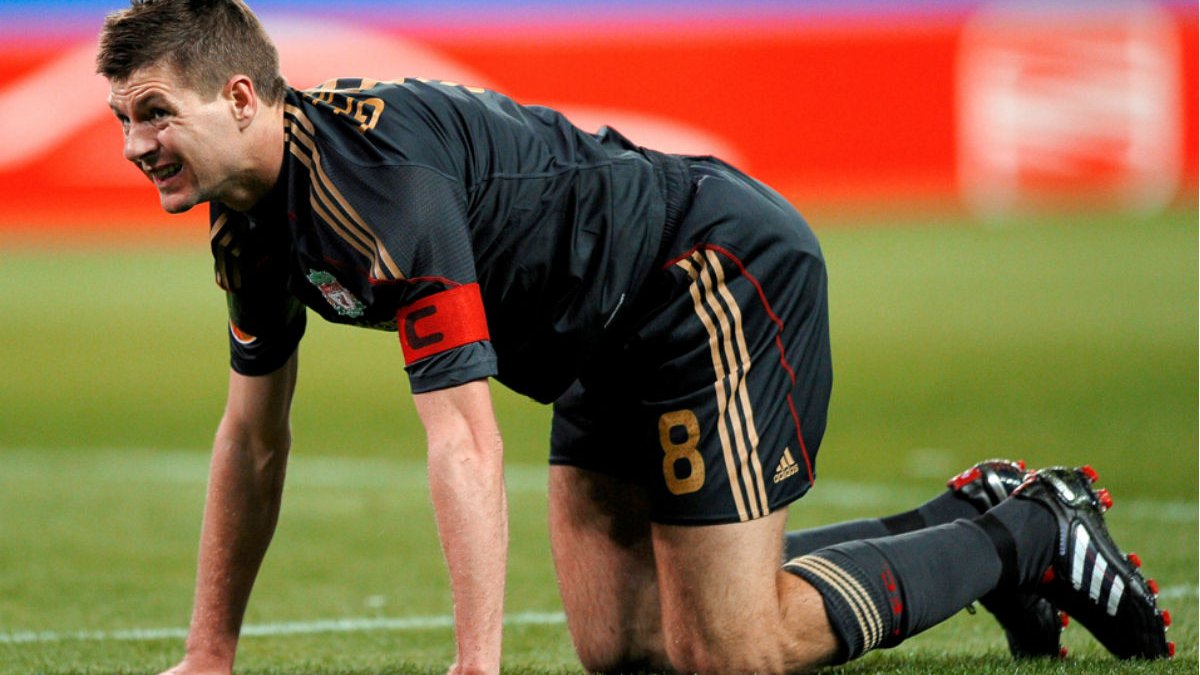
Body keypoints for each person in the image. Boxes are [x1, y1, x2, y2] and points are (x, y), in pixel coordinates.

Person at [96, 1, 1174, 673]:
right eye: (121, 121)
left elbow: (464, 438)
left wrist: (475, 666)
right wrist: (209, 652)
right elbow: (252, 439)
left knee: (732, 651)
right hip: (597, 341)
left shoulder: (378, 190)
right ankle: (971, 513)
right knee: (626, 649)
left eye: (154, 112)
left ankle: (1027, 530)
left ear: (243, 96)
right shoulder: (249, 223)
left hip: (702, 275)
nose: (136, 144)